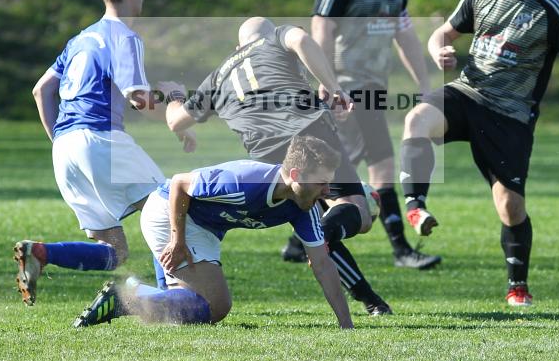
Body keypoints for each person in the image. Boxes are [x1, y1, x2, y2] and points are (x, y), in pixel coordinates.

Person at [399, 0, 559, 307]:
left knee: (510, 207)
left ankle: (517, 287)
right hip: (468, 92)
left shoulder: (552, 9)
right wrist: (438, 49)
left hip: (510, 115)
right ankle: (415, 208)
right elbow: (441, 33)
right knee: (416, 120)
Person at [164, 16, 392, 315]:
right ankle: (323, 242)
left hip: (268, 156)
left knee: (317, 215)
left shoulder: (218, 76)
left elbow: (175, 120)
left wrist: (174, 95)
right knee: (359, 215)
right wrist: (333, 86)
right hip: (308, 132)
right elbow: (300, 40)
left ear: (237, 47)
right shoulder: (274, 39)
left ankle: (370, 299)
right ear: (268, 34)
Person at [14, 0, 194, 306]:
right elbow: (139, 99)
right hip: (99, 139)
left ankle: (41, 252)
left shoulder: (79, 40)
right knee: (164, 205)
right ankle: (175, 299)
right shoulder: (124, 37)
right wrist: (175, 104)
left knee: (114, 250)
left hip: (64, 150)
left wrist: (64, 141)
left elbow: (41, 90)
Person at [73, 135, 354, 329]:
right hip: (168, 211)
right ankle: (125, 300)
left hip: (203, 229)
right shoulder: (247, 181)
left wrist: (346, 326)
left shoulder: (303, 207)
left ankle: (136, 292)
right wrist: (177, 239)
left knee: (184, 312)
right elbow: (179, 184)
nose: (328, 192)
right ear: (295, 176)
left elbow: (322, 264)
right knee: (216, 305)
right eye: (321, 183)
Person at [309, 0, 440, 270]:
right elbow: (322, 27)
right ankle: (401, 249)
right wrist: (328, 82)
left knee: (333, 173)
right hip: (348, 91)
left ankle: (300, 238)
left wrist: (426, 84)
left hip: (373, 91)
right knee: (378, 167)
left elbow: (406, 36)